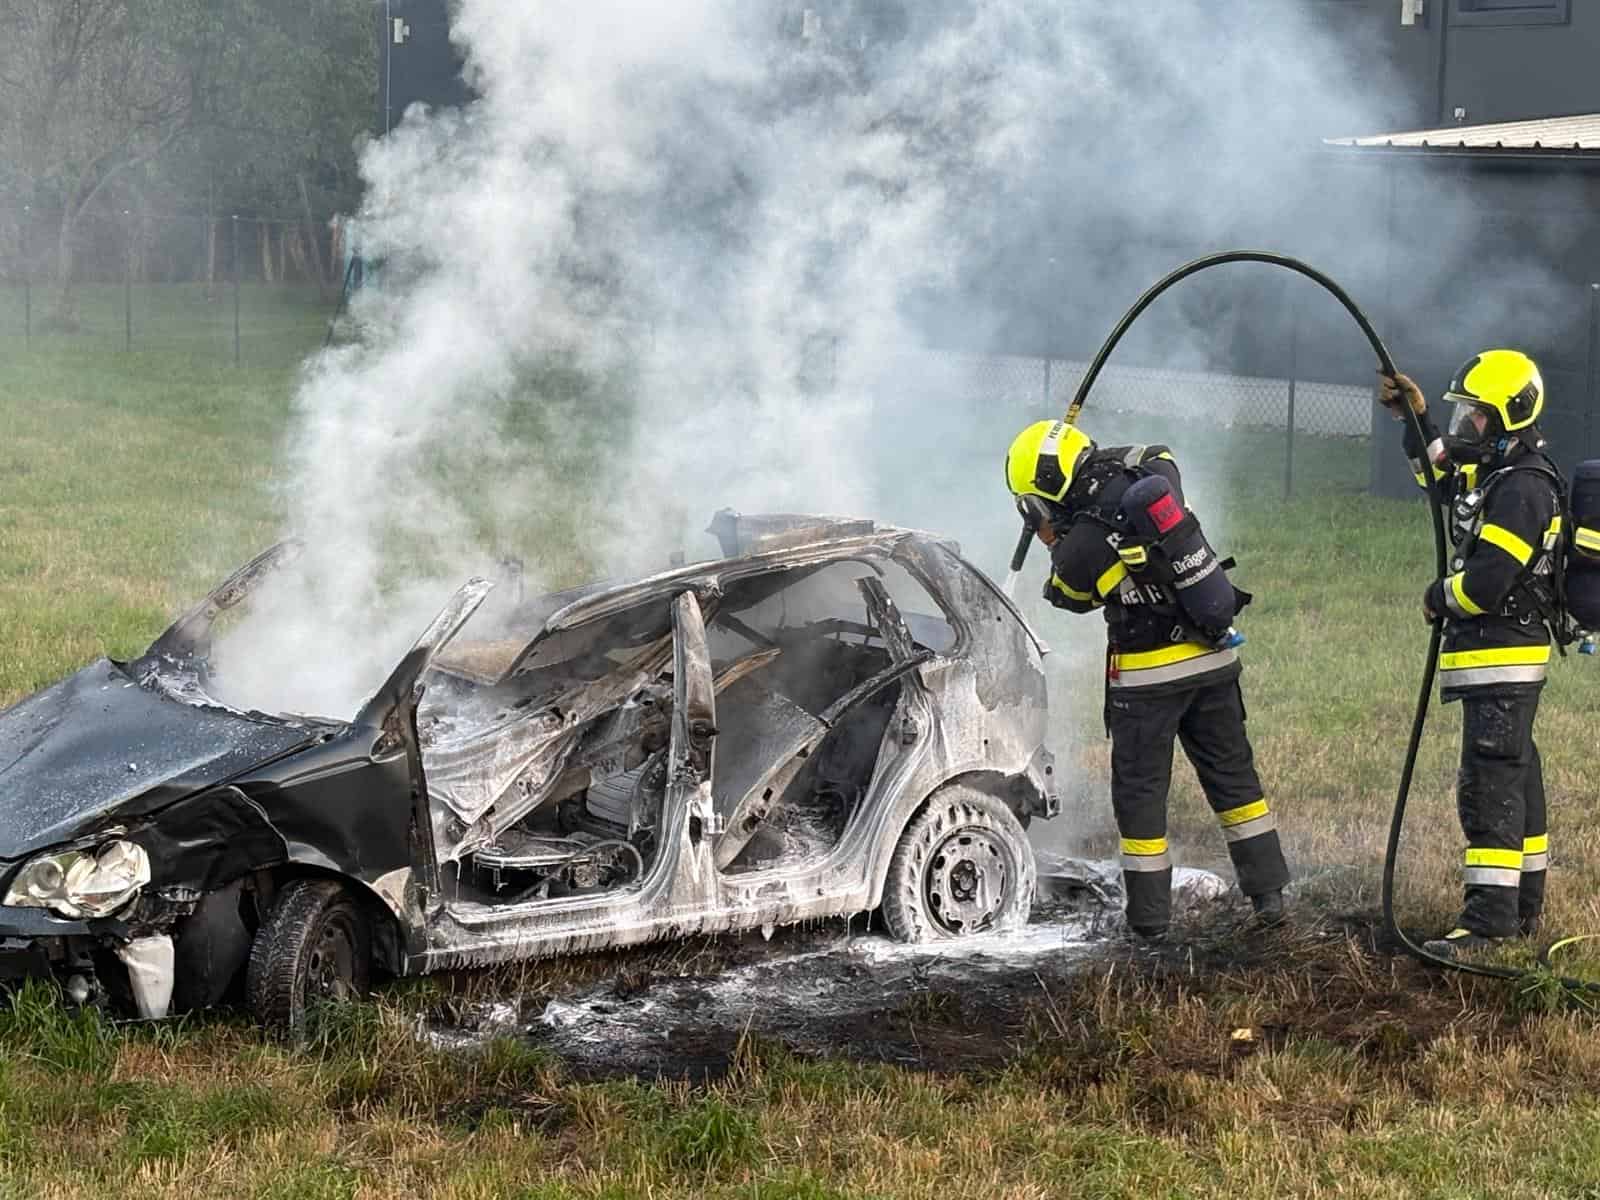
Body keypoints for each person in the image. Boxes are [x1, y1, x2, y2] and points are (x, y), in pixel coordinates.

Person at [1004, 419, 1288, 939]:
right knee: (1234, 780)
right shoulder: (1152, 469)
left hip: (1148, 679)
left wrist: (1052, 535)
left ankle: (1150, 925)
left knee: (1141, 800)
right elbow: (1151, 456)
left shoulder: (1081, 545)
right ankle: (1270, 898)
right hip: (1213, 657)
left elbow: (1066, 594)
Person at [1380, 350, 1563, 957]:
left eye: (1476, 415)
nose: (1466, 425)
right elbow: (1438, 478)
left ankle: (1487, 925)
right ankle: (1523, 908)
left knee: (1489, 787)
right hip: (1497, 657)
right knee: (1516, 775)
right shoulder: (1495, 472)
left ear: (1510, 418)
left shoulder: (1523, 489)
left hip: (1502, 657)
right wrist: (1416, 419)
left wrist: (1437, 597)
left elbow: (1485, 585)